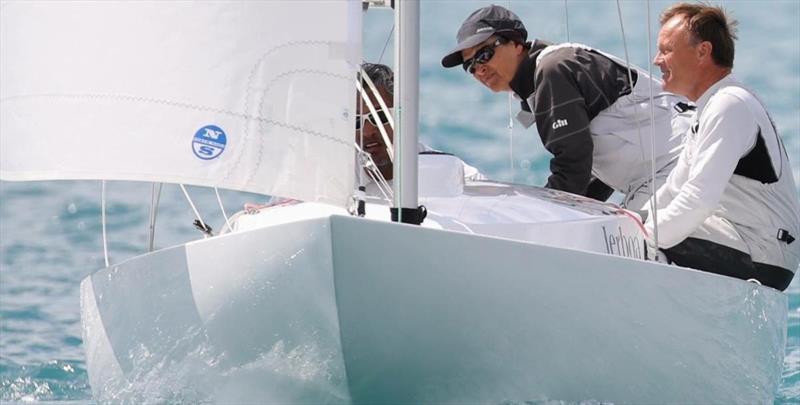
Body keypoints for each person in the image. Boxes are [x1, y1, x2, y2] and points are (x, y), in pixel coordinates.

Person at [441, 5, 692, 210]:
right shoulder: (543, 78)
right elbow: (589, 165)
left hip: (680, 166)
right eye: (470, 66)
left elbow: (573, 163)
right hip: (662, 173)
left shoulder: (552, 69)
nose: (479, 69)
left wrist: (535, 214)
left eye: (483, 54)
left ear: (516, 44)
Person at [644, 3, 799, 290]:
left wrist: (636, 238)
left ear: (703, 51)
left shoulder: (729, 105)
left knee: (642, 243)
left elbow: (697, 200)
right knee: (637, 228)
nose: (656, 60)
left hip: (765, 252)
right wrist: (630, 222)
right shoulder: (709, 106)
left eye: (666, 50)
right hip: (743, 238)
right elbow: (674, 189)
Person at [356, 63, 484, 191]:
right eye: (356, 121)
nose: (367, 131)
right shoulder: (337, 178)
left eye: (380, 116)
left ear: (404, 114)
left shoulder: (459, 180)